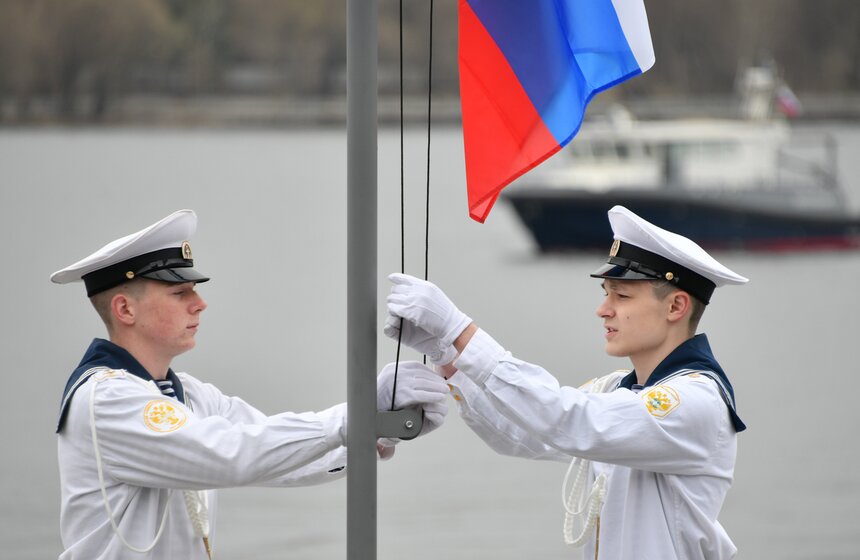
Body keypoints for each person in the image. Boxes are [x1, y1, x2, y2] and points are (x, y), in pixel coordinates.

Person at [52, 209, 448, 560]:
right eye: (179, 292)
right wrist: (355, 416)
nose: (199, 302)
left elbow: (274, 459)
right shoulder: (105, 399)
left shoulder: (188, 394)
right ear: (125, 309)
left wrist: (376, 427)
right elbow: (232, 454)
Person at [385, 205, 749, 559]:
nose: (603, 310)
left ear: (675, 307)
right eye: (605, 294)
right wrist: (449, 357)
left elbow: (567, 418)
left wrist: (460, 330)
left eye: (622, 296)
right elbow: (526, 431)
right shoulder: (617, 390)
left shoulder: (695, 400)